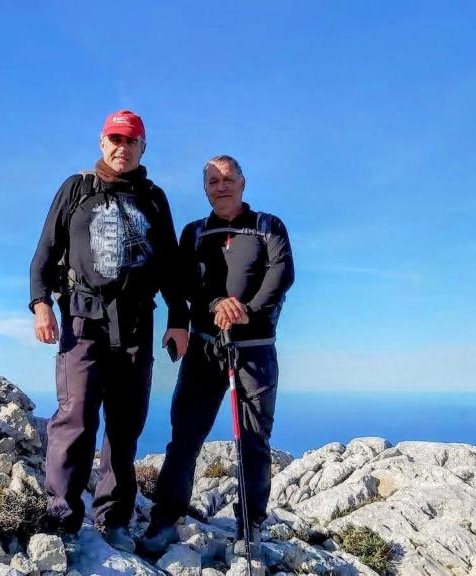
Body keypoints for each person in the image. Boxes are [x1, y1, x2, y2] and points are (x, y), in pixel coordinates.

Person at [29, 110, 189, 553]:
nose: (122, 147)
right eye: (115, 139)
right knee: (75, 416)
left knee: (125, 424)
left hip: (137, 324)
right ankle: (62, 516)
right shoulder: (77, 188)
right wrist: (41, 304)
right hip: (82, 320)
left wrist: (179, 319)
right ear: (102, 142)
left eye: (131, 141)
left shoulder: (153, 198)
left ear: (142, 147)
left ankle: (114, 518)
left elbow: (170, 265)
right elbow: (44, 252)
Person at [142, 155, 294, 554]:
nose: (221, 186)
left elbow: (281, 275)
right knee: (185, 435)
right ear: (205, 188)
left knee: (253, 440)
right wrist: (215, 304)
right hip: (205, 348)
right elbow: (183, 283)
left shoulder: (268, 226)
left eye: (228, 179)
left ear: (243, 182)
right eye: (212, 181)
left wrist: (247, 310)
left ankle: (250, 526)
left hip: (254, 350)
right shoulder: (194, 233)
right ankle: (165, 518)